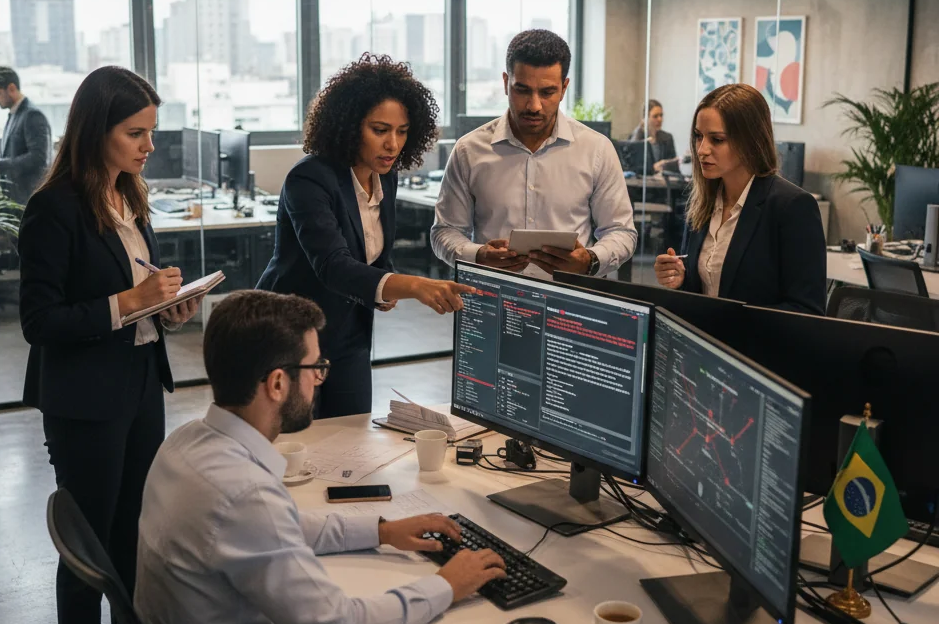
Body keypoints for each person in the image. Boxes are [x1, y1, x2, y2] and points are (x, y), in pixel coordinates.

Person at [135, 289, 503, 624]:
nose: (321, 378)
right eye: (316, 367)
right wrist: (448, 585)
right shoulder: (243, 495)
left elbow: (278, 527)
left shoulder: (187, 445)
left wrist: (381, 530)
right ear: (278, 383)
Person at [19, 66, 200, 624]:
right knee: (89, 550)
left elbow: (139, 308)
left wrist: (170, 309)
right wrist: (130, 301)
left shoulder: (130, 199)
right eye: (136, 133)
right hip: (86, 401)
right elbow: (40, 321)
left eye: (151, 131)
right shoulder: (55, 207)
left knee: (133, 540)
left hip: (137, 383)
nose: (149, 145)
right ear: (98, 130)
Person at [258, 54, 476, 418]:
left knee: (351, 440)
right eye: (380, 130)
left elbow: (372, 251)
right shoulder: (309, 179)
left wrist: (382, 286)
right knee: (295, 449)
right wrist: (413, 286)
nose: (393, 144)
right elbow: (333, 266)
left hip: (351, 334)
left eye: (402, 131)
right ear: (348, 125)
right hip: (292, 335)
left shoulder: (385, 176)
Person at [431, 29, 636, 279]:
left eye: (547, 92)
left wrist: (590, 260)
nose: (534, 106)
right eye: (523, 90)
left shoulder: (596, 150)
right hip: (493, 297)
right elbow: (445, 231)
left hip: (568, 302)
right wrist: (478, 255)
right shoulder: (468, 150)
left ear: (564, 88)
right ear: (506, 83)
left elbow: (621, 231)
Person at [653, 84, 826, 314]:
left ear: (750, 141)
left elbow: (808, 312)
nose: (702, 149)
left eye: (717, 139)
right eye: (698, 136)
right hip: (702, 345)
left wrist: (733, 324)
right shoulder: (701, 202)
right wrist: (681, 280)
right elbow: (705, 292)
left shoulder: (792, 207)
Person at [0, 66, 52, 205]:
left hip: (29, 198)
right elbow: (15, 153)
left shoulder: (32, 115)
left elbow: (38, 158)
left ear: (11, 88)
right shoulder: (14, 114)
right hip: (17, 198)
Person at [629, 98, 679, 174]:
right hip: (643, 183)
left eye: (661, 115)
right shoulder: (637, 137)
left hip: (663, 182)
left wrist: (664, 164)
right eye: (655, 116)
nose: (660, 119)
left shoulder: (668, 137)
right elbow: (631, 167)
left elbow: (675, 167)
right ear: (645, 118)